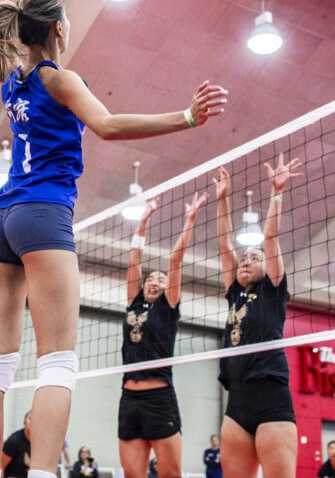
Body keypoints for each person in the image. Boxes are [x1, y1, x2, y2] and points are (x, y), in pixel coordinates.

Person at [0, 0, 227, 478]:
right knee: (57, 363)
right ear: (57, 29)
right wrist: (186, 117)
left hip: (0, 219)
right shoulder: (59, 79)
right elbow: (108, 125)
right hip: (42, 214)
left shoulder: (15, 79)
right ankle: (45, 474)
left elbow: (0, 29)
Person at [215, 155, 302, 478]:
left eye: (254, 258)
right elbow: (225, 245)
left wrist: (276, 192)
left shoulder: (273, 289)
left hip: (270, 395)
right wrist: (223, 199)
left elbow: (270, 238)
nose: (246, 260)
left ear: (268, 267)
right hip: (236, 400)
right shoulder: (234, 292)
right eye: (244, 258)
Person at [119, 193, 207, 478]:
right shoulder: (134, 301)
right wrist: (143, 222)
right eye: (151, 278)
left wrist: (189, 221)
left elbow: (176, 261)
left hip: (160, 399)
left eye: (161, 279)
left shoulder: (168, 308)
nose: (155, 280)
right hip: (129, 400)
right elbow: (134, 261)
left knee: (170, 475)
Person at [1, 412, 32, 478]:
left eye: (36, 420)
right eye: (30, 419)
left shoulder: (40, 442)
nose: (33, 422)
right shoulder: (14, 441)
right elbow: (0, 466)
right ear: (24, 422)